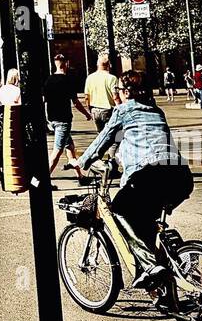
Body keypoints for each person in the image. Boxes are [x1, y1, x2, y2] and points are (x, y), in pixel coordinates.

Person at [78, 69, 194, 287]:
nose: (118, 94)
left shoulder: (123, 110)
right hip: (181, 176)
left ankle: (151, 266)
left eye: (119, 90)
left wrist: (81, 162)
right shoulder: (156, 110)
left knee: (119, 209)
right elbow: (140, 140)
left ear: (127, 92)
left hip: (150, 174)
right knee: (145, 217)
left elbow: (102, 141)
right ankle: (173, 261)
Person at [46, 53, 92, 182]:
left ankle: (80, 176)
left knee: (70, 147)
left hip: (53, 119)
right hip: (63, 120)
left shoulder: (48, 80)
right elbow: (76, 102)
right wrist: (87, 114)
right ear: (66, 64)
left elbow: (45, 101)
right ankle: (44, 179)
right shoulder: (67, 81)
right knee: (57, 151)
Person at [0, 68, 22, 171]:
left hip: (1, 122)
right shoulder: (18, 90)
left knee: (1, 146)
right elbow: (20, 107)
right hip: (14, 122)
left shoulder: (2, 89)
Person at [83, 54, 120, 133]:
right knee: (114, 135)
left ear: (97, 64)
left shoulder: (90, 78)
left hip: (95, 110)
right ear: (108, 65)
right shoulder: (112, 78)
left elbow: (87, 97)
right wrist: (120, 109)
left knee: (101, 136)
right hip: (108, 110)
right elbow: (115, 96)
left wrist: (89, 109)